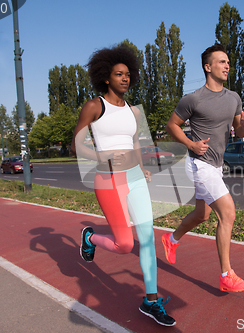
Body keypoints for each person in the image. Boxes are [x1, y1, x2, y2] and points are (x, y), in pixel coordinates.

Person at [71, 44, 175, 327]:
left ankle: (151, 301)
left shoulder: (134, 111)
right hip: (108, 180)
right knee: (124, 244)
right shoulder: (94, 106)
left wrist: (142, 169)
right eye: (119, 74)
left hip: (135, 177)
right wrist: (100, 155)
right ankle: (90, 237)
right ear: (106, 77)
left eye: (128, 74)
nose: (125, 79)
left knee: (147, 238)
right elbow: (76, 144)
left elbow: (134, 143)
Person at [162, 44, 244, 292]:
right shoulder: (193, 99)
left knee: (202, 215)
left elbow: (239, 132)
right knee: (228, 213)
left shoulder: (234, 98)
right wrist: (191, 143)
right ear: (207, 67)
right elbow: (172, 125)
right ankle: (226, 275)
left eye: (227, 62)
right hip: (199, 164)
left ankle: (170, 239)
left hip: (216, 165)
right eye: (221, 62)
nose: (227, 66)